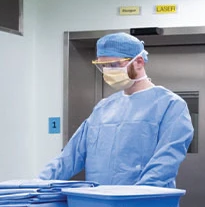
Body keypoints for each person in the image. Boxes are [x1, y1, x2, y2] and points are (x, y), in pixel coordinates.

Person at [38, 32, 194, 188]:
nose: (108, 71)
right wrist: (36, 184)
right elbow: (70, 156)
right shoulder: (103, 108)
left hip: (146, 205)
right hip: (101, 202)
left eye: (114, 65)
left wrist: (137, 196)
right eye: (103, 66)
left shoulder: (170, 105)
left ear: (139, 62)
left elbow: (165, 162)